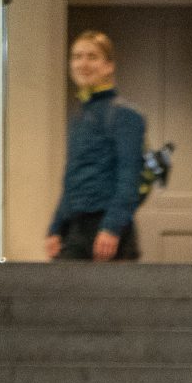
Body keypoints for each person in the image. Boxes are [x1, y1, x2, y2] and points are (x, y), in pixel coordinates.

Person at [46, 30, 145, 263]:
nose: (83, 63)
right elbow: (73, 179)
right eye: (77, 56)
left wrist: (111, 228)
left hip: (109, 232)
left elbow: (129, 177)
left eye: (92, 57)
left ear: (109, 66)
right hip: (75, 229)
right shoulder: (79, 117)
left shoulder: (126, 116)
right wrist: (56, 227)